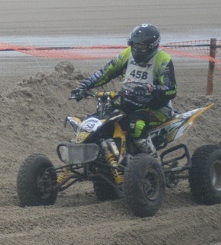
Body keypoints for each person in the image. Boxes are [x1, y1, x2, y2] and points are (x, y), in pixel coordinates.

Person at [70, 23, 177, 154]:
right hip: (128, 105)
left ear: (152, 45)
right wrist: (83, 86)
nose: (137, 48)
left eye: (141, 45)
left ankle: (153, 164)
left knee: (136, 126)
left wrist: (150, 89)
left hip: (156, 109)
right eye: (134, 44)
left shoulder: (163, 59)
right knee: (102, 123)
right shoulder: (127, 54)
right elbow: (105, 72)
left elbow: (171, 89)